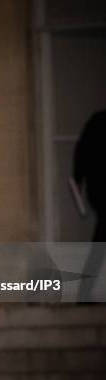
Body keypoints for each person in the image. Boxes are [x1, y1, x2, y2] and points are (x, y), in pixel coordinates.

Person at [73, 109, 106, 302]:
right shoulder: (99, 122)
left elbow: (81, 152)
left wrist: (78, 179)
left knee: (100, 241)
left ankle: (85, 292)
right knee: (100, 241)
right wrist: (78, 179)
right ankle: (85, 292)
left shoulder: (97, 121)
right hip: (101, 188)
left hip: (99, 189)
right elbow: (82, 152)